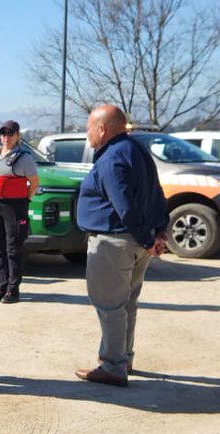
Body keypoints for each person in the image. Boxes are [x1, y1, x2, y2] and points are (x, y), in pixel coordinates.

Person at [74, 104, 168, 387]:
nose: (87, 133)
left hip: (115, 242)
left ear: (102, 129)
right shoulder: (135, 149)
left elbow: (124, 206)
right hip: (137, 240)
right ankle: (123, 358)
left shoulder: (112, 158)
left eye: (89, 128)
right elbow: (156, 193)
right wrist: (157, 232)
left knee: (110, 305)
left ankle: (113, 366)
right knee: (126, 304)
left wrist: (149, 238)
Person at [0, 120, 40, 303]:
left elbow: (34, 182)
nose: (6, 137)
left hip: (15, 207)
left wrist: (26, 199)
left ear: (17, 135)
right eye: (3, 133)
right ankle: (1, 287)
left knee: (13, 249)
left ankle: (13, 290)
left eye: (10, 133)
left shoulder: (24, 158)